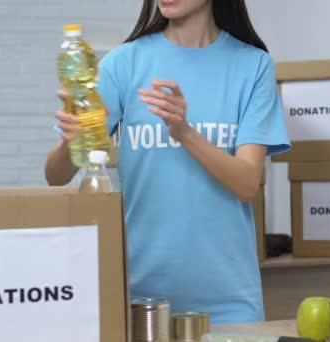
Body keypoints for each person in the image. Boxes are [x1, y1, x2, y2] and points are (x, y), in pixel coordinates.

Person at [45, 0, 291, 324]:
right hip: (139, 299)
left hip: (230, 302)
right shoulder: (123, 64)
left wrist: (184, 132)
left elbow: (247, 183)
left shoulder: (253, 66)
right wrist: (71, 142)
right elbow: (55, 176)